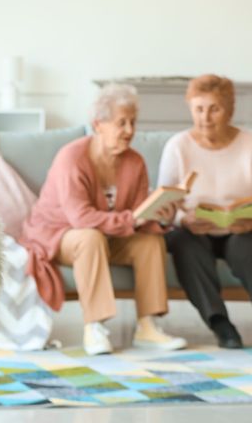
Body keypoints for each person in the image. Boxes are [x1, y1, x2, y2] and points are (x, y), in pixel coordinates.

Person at [20, 83, 186, 355]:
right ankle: (94, 326)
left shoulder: (135, 162)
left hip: (109, 235)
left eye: (133, 122)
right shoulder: (72, 158)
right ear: (98, 124)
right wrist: (133, 219)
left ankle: (147, 326)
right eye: (122, 123)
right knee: (89, 237)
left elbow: (137, 215)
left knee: (150, 242)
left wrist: (160, 216)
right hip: (60, 233)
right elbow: (80, 217)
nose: (130, 131)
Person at [158, 74, 252, 349]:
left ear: (230, 110)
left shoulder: (248, 144)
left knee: (245, 248)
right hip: (194, 230)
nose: (205, 118)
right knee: (186, 244)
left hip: (241, 230)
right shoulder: (178, 146)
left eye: (214, 109)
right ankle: (221, 324)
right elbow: (163, 204)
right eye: (198, 109)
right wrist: (182, 219)